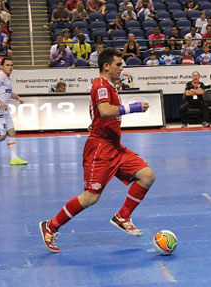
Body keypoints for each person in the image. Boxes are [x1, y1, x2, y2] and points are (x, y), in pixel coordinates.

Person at [39, 48, 155, 253]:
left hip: (115, 146)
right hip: (100, 149)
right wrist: (133, 107)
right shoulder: (100, 84)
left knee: (147, 176)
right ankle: (51, 226)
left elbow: (96, 111)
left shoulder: (108, 84)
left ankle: (123, 216)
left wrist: (95, 122)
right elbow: (105, 110)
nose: (122, 68)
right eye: (118, 64)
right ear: (106, 66)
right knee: (90, 197)